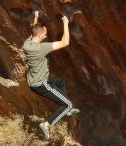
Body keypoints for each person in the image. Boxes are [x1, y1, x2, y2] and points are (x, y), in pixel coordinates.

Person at [23, 12, 80, 140]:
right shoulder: (41, 48)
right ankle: (46, 124)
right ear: (39, 34)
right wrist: (65, 23)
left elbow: (32, 29)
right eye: (45, 33)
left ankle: (67, 111)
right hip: (41, 84)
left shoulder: (27, 43)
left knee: (60, 83)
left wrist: (36, 17)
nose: (46, 35)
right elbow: (65, 42)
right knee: (69, 104)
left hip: (33, 81)